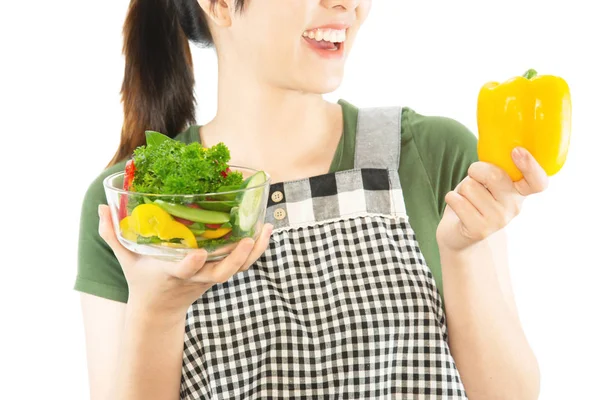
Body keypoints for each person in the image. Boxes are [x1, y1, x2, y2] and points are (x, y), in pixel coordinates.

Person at [75, 0, 546, 399]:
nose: (346, 4)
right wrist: (159, 310)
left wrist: (461, 255)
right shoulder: (134, 200)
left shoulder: (431, 154)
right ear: (219, 4)